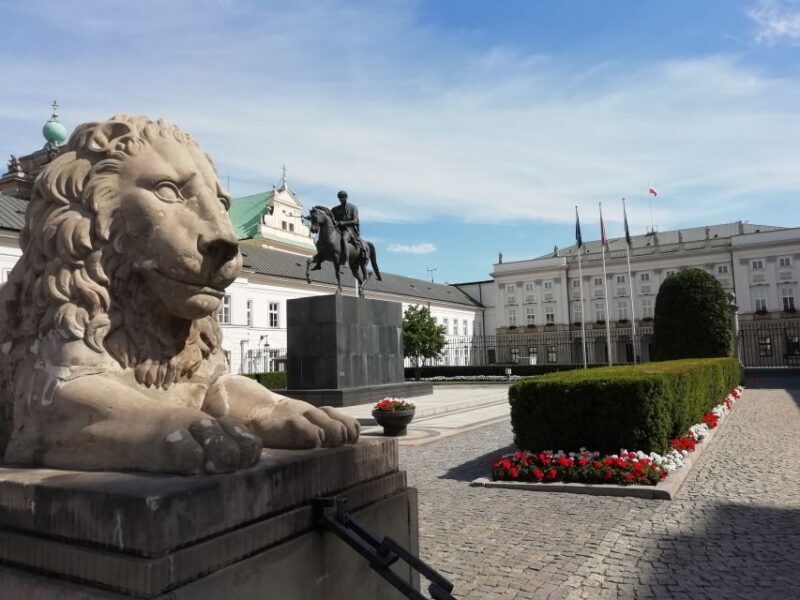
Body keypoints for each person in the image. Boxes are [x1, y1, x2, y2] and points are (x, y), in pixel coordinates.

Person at [331, 190, 364, 260]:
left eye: (343, 197)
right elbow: (328, 216)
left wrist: (343, 223)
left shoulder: (353, 207)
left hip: (349, 229)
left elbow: (355, 221)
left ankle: (346, 260)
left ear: (346, 197)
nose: (341, 199)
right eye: (340, 197)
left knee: (343, 238)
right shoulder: (335, 209)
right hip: (338, 229)